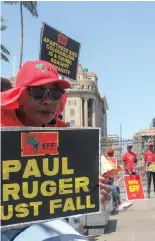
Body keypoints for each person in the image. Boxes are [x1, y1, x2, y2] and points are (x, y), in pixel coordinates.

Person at [1, 60, 111, 238]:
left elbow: (69, 180)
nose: (47, 101)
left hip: (48, 223)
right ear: (20, 95)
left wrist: (88, 186)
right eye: (37, 92)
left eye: (55, 92)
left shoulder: (63, 133)